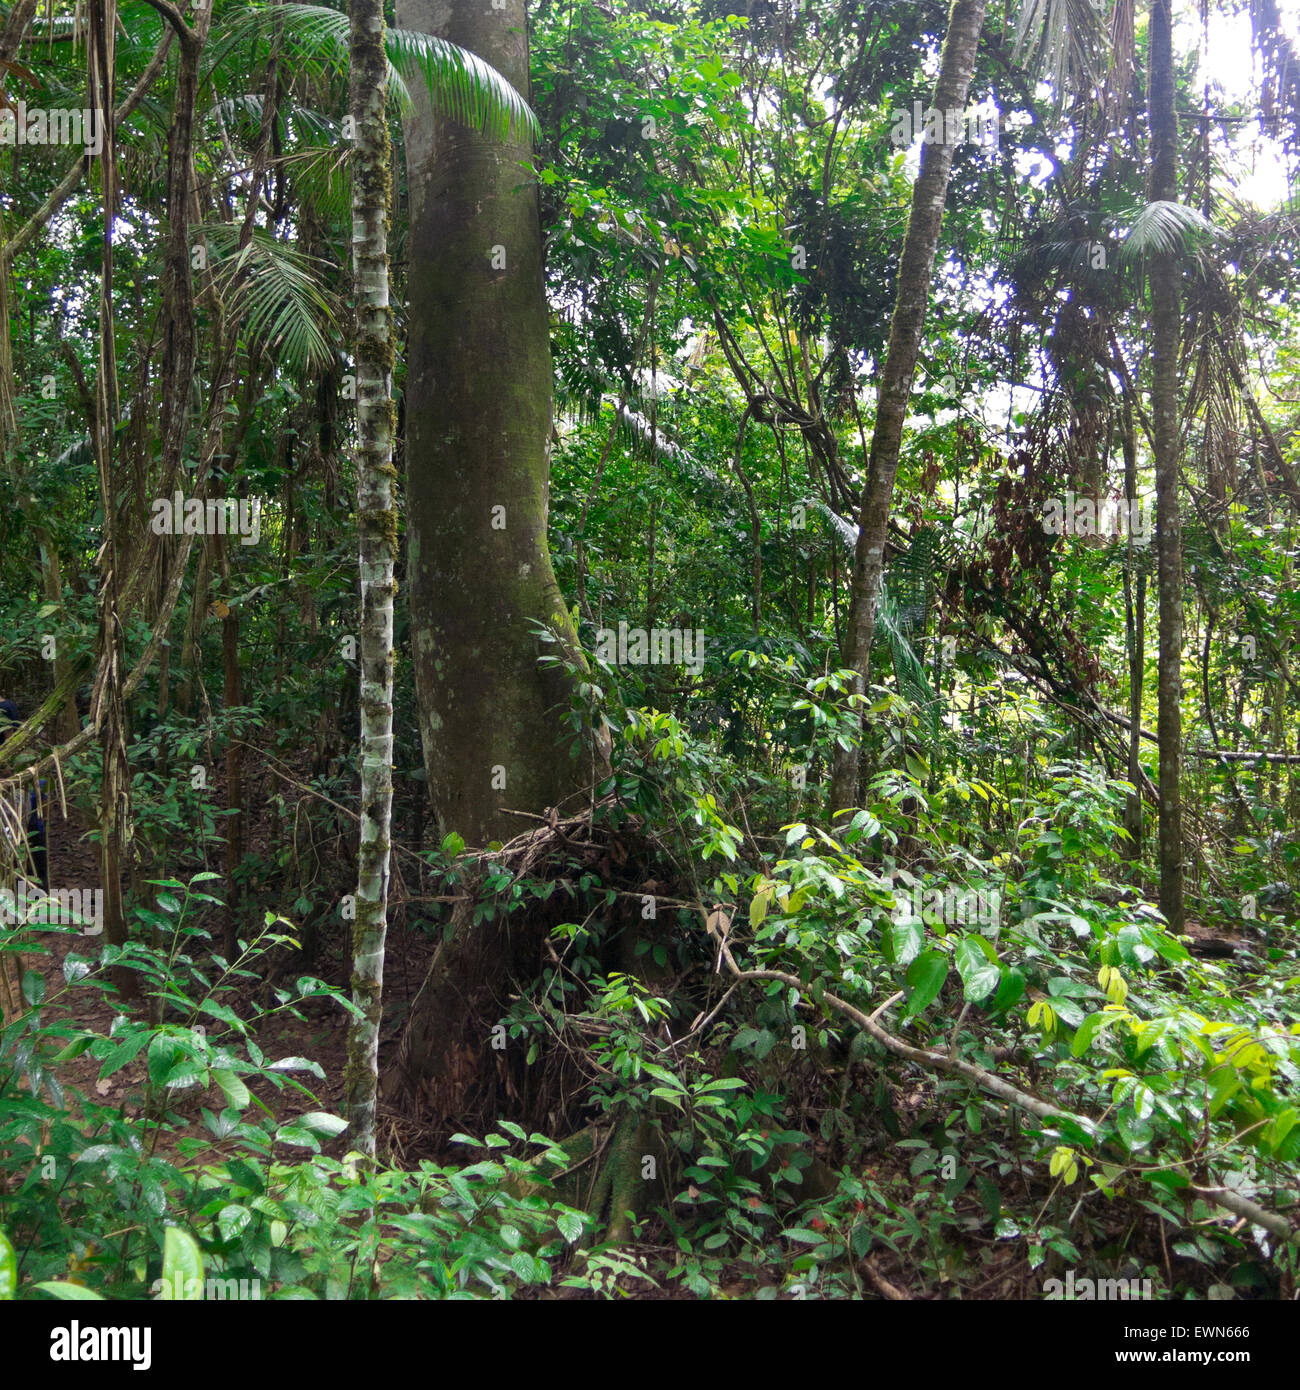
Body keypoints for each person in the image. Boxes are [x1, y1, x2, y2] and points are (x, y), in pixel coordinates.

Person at [0, 697, 48, 893]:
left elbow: (12, 741)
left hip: (13, 781)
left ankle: (37, 889)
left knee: (27, 833)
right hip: (13, 781)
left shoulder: (5, 708)